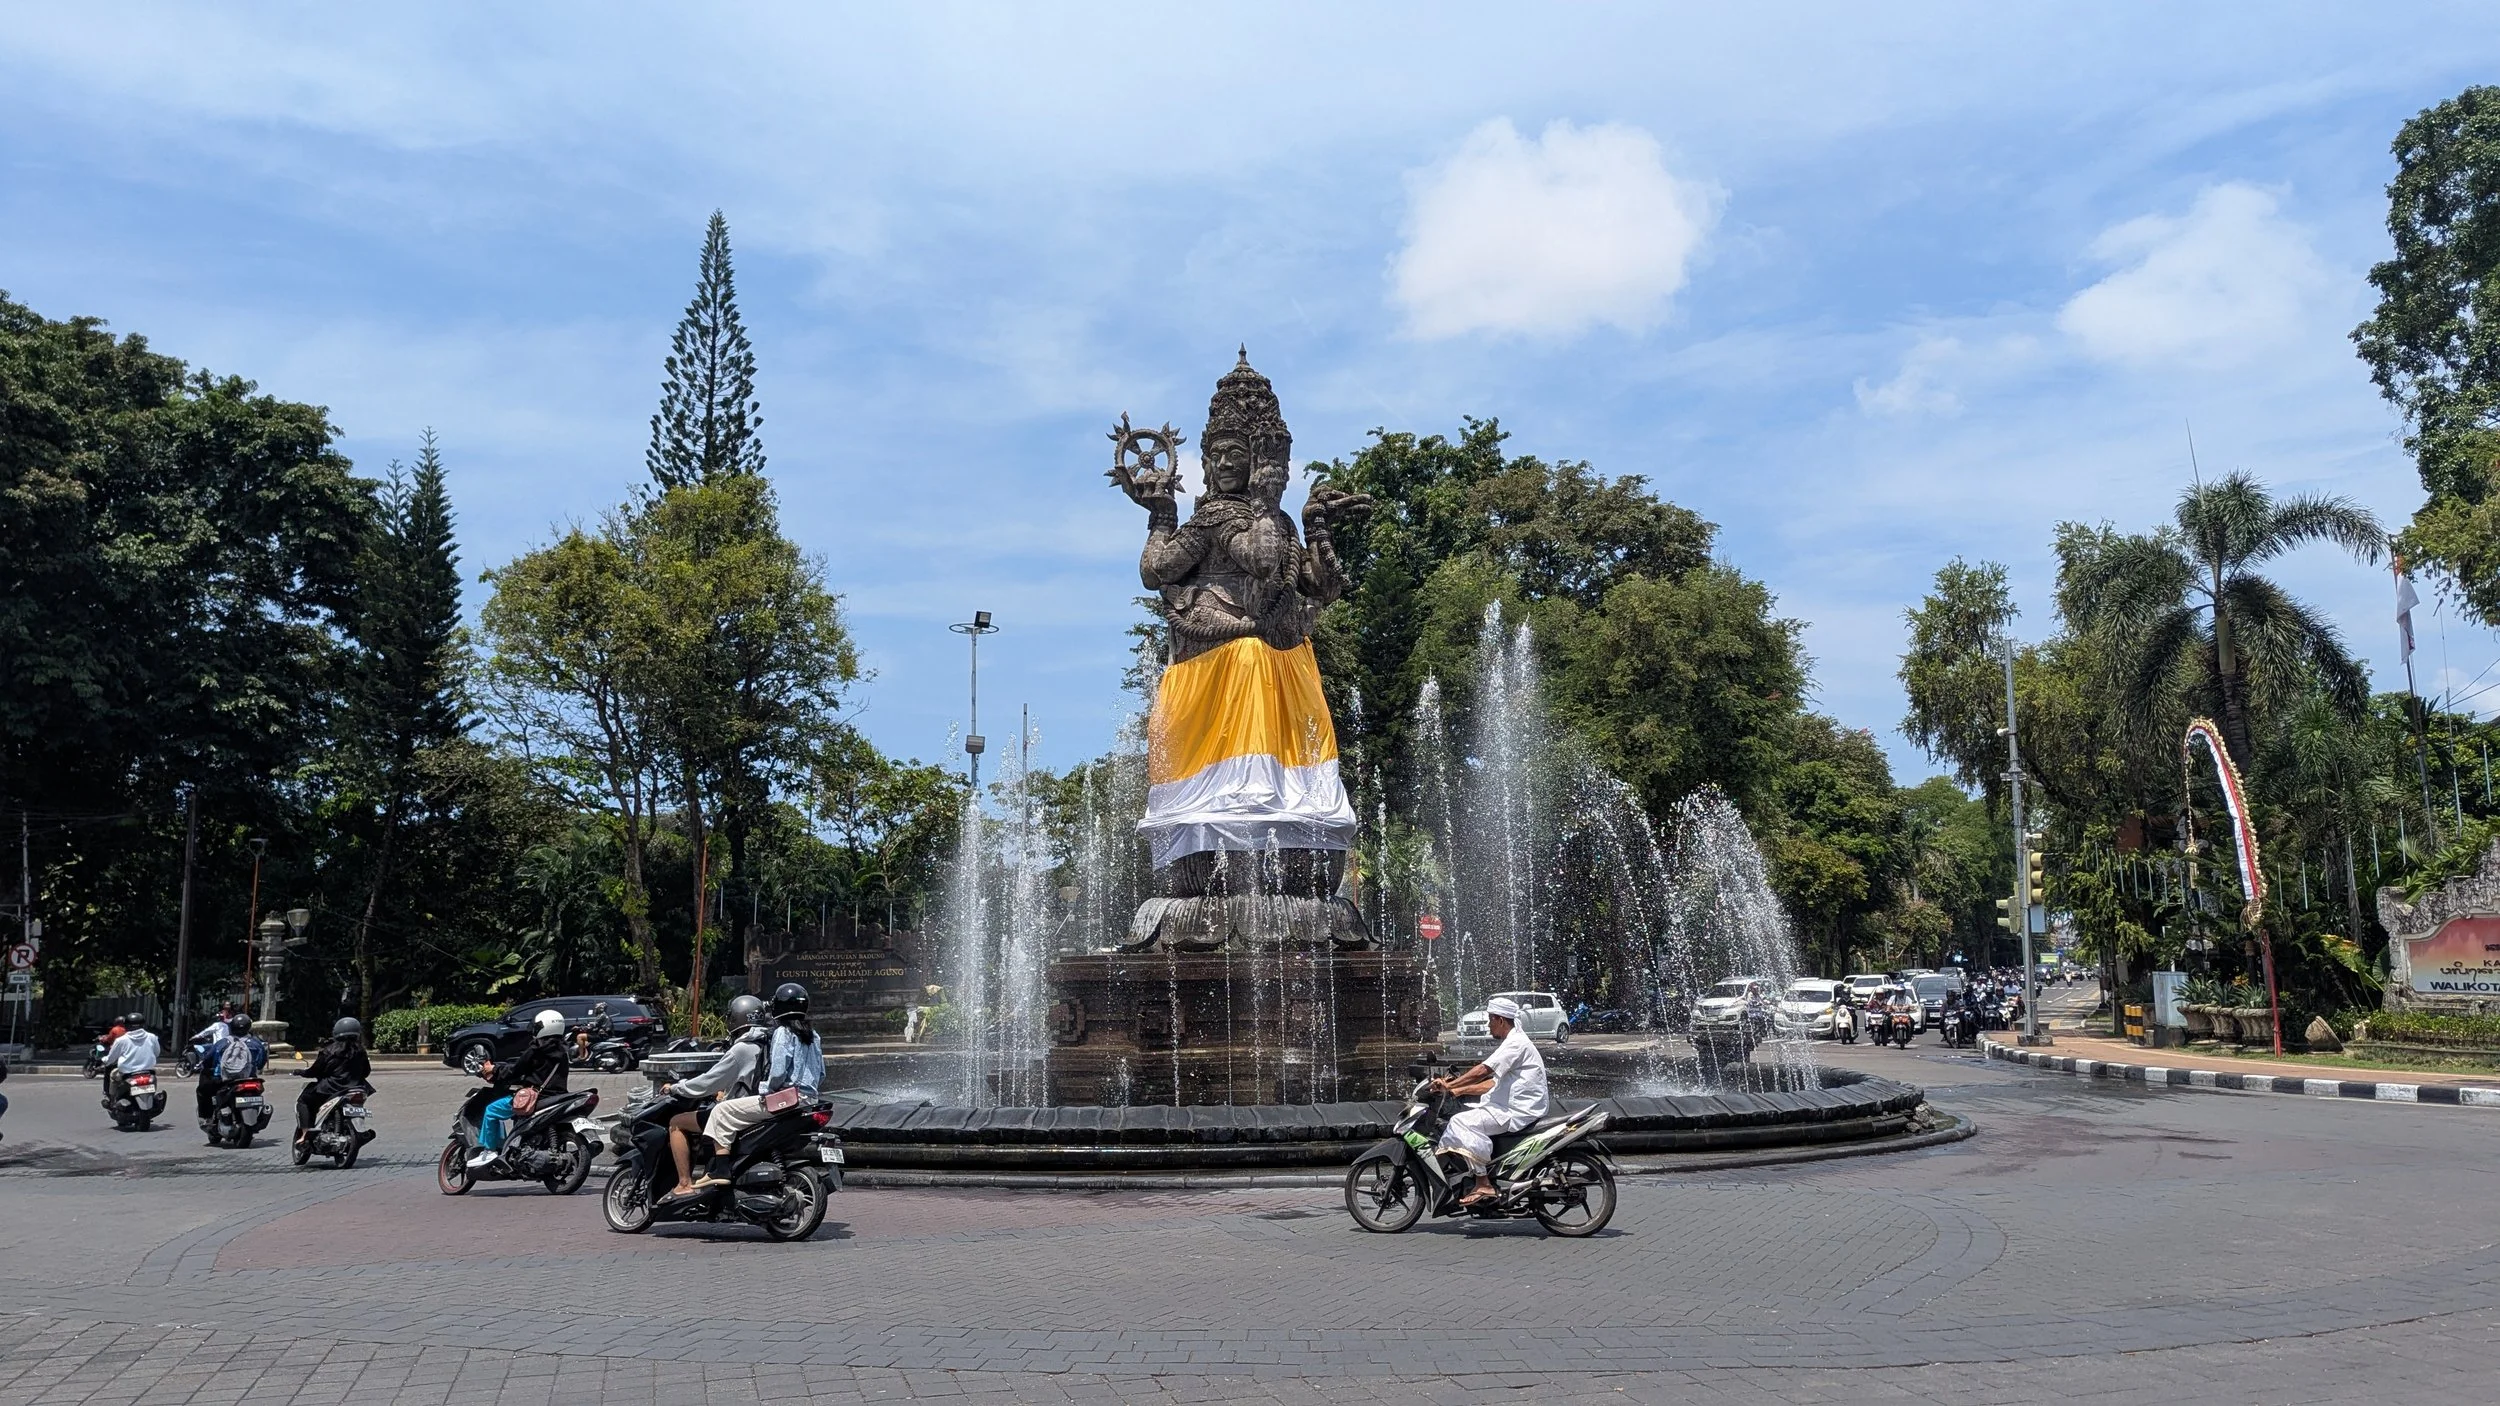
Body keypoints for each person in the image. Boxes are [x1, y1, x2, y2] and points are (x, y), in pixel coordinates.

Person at [694, 983, 824, 1183]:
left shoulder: (783, 1032)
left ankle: (719, 1170)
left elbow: (778, 1072)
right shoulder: (813, 1035)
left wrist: (767, 1090)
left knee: (721, 1111)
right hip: (810, 1100)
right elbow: (821, 1074)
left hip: (786, 1100)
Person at [1428, 994, 1549, 1208]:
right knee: (1467, 1114)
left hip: (1516, 1110)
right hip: (1511, 1106)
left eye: (1490, 1019)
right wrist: (1458, 1090)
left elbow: (1484, 1070)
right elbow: (1493, 1083)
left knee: (1460, 1122)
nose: (1488, 1025)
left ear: (1500, 1020)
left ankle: (1483, 1182)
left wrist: (1450, 1086)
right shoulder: (1515, 1041)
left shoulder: (1515, 1043)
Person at [656, 994, 770, 1201]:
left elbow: (708, 1082)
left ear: (735, 1019)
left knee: (676, 1123)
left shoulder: (741, 1049)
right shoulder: (768, 1042)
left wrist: (676, 1088)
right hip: (760, 1107)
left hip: (740, 1111)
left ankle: (684, 1184)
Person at [471, 1010, 568, 1169]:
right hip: (556, 1096)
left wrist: (494, 1071)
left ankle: (488, 1151)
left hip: (535, 1098)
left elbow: (516, 1070)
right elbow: (535, 1071)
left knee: (491, 1110)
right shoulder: (563, 1050)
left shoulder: (536, 1048)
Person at [294, 1017, 372, 1150]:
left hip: (330, 1088)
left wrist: (301, 1072)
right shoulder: (361, 1051)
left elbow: (315, 1071)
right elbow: (366, 1071)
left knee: (304, 1100)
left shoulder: (328, 1050)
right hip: (357, 1087)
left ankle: (305, 1135)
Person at [195, 1013, 266, 1134]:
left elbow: (208, 1060)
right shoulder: (256, 1044)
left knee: (203, 1090)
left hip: (224, 1080)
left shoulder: (222, 1043)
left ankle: (207, 1117)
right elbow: (261, 1062)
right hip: (250, 1079)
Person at [103, 1011, 160, 1103]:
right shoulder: (152, 1037)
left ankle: (112, 1100)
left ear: (127, 1026)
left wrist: (104, 1060)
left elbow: (111, 1059)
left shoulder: (121, 1040)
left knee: (113, 1075)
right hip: (148, 1073)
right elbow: (157, 1053)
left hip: (127, 1074)